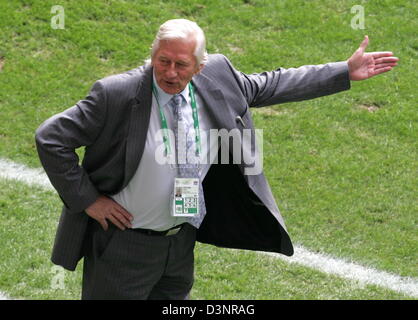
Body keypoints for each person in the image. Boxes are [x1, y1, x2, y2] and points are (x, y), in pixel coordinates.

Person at [35, 19, 398, 300]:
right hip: (123, 246)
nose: (170, 73)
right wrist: (88, 201)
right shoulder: (116, 94)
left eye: (181, 64)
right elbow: (51, 138)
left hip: (180, 243)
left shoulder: (218, 78)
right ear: (152, 55)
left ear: (200, 66)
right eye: (162, 61)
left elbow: (271, 84)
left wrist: (342, 72)